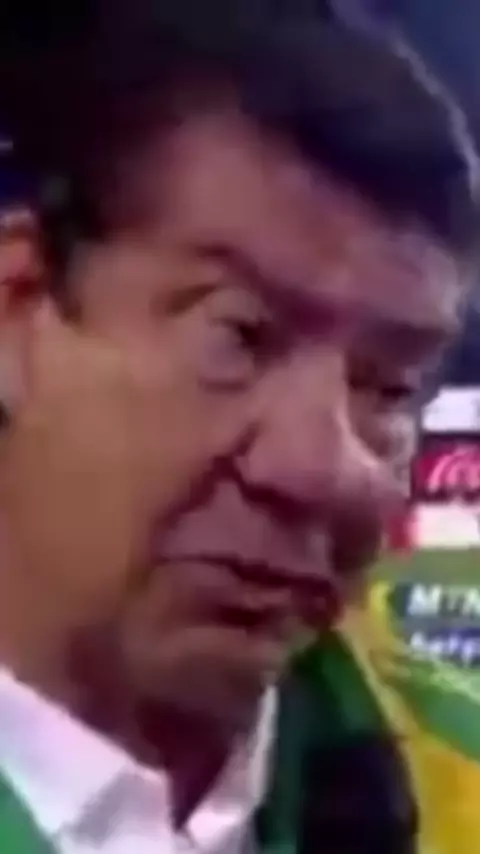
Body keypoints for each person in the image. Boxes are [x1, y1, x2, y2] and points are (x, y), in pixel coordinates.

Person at [0, 1, 478, 852]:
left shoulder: (458, 777)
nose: (331, 469)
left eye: (387, 386)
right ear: (18, 306)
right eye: (239, 335)